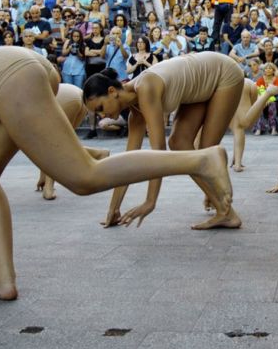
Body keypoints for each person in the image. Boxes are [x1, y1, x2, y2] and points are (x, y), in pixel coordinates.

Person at [0, 48, 234, 300]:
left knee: (83, 177)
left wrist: (151, 200)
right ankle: (2, 277)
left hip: (9, 74)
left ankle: (200, 160)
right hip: (19, 67)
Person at [84, 52, 244, 229]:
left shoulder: (145, 87)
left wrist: (150, 202)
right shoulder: (135, 114)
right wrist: (113, 210)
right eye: (97, 113)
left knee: (206, 152)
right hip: (199, 86)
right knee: (178, 143)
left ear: (112, 91)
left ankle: (226, 212)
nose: (102, 115)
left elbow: (158, 151)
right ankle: (221, 204)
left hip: (223, 73)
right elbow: (127, 161)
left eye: (100, 107)